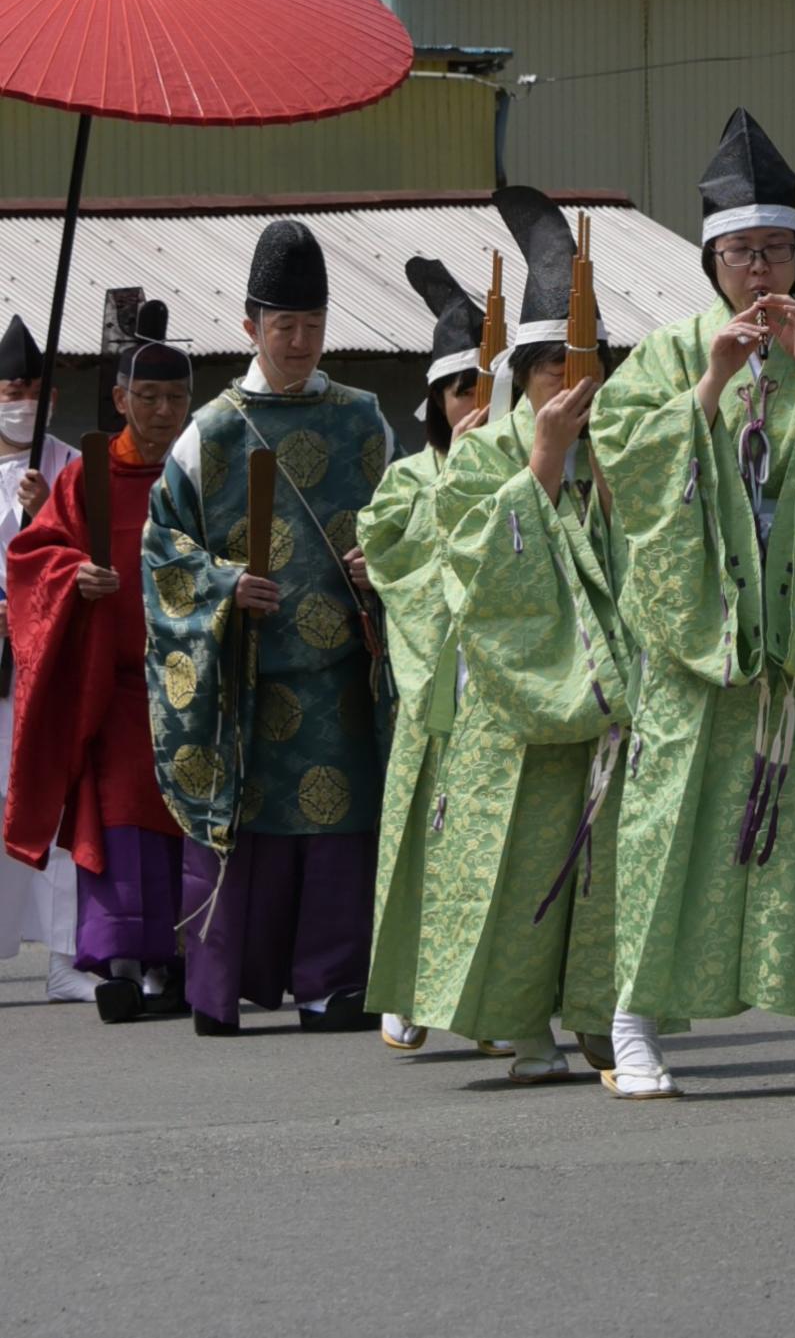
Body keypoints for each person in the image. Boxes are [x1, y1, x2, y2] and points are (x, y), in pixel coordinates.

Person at [589, 111, 795, 1099]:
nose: (759, 271)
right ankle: (633, 1028)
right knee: (665, 831)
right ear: (711, 261)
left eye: (775, 251)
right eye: (740, 253)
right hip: (695, 646)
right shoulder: (669, 354)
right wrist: (710, 385)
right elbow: (623, 465)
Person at [145, 219, 396, 1036]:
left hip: (341, 681)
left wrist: (382, 566)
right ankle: (220, 988)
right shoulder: (209, 433)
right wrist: (220, 586)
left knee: (339, 834)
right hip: (243, 674)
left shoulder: (366, 422)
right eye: (283, 325)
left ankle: (332, 987)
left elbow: (406, 524)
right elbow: (163, 548)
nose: (299, 340)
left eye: (313, 325)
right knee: (243, 829)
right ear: (249, 325)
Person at [418, 188, 637, 1085]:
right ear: (523, 370)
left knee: (606, 867)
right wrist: (542, 464)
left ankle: (597, 1015)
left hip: (612, 699)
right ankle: (524, 1028)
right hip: (513, 702)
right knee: (522, 865)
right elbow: (470, 568)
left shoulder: (621, 450)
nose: (566, 381)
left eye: (580, 363)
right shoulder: (482, 453)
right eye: (547, 364)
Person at [4, 304, 191, 1022]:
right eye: (147, 397)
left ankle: (175, 961)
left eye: (175, 398)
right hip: (112, 689)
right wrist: (75, 577)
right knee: (118, 818)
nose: (163, 410)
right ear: (120, 400)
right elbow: (33, 557)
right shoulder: (85, 477)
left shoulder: (196, 473)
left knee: (184, 819)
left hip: (187, 687)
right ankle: (118, 962)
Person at [362, 255, 511, 1058]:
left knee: (489, 851)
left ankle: (486, 998)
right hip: (437, 691)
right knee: (420, 842)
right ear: (435, 402)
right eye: (462, 391)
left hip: (501, 689)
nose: (477, 407)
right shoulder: (407, 482)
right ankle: (404, 987)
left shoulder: (525, 473)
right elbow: (394, 564)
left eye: (490, 390)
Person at [0, 315, 89, 1002]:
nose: (19, 397)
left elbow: (87, 555)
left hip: (52, 657)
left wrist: (46, 512)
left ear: (50, 396)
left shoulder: (71, 467)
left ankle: (66, 958)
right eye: (8, 388)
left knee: (59, 798)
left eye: (30, 387)